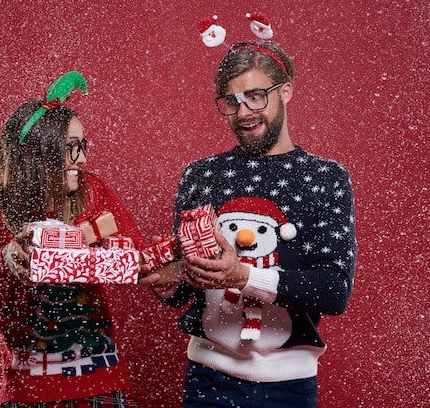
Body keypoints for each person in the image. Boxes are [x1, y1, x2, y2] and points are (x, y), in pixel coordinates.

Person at [150, 41, 357, 407]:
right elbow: (184, 293)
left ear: (286, 90)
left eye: (256, 96)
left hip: (289, 388)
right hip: (206, 382)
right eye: (231, 101)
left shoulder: (327, 178)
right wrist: (164, 278)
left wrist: (242, 276)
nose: (243, 111)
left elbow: (333, 291)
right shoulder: (201, 176)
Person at [0, 72, 147, 407]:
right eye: (70, 148)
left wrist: (118, 258)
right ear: (35, 155)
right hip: (28, 393)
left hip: (102, 386)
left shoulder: (94, 192)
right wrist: (6, 262)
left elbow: (140, 263)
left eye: (83, 146)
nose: (82, 159)